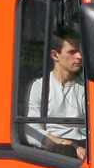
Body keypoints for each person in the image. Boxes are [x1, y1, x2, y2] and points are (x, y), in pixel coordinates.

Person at [26, 26, 86, 159]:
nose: (79, 56)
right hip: (54, 150)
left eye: (80, 51)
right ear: (55, 55)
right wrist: (68, 144)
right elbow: (32, 130)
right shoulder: (40, 86)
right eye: (72, 52)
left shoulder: (85, 88)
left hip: (85, 146)